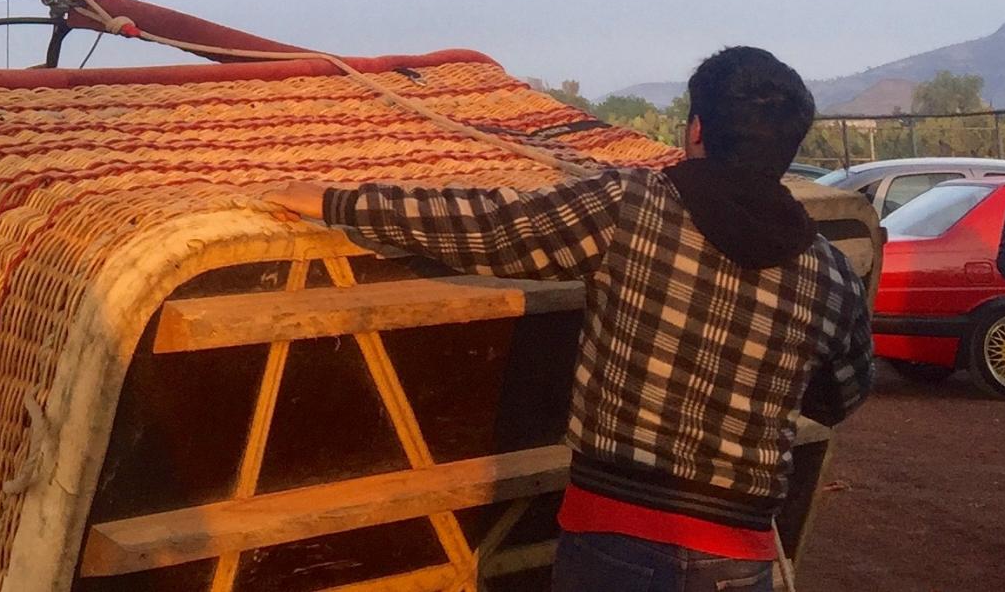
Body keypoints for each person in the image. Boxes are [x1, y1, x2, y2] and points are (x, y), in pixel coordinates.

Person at [266, 46, 870, 592]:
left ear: (694, 131)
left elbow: (491, 230)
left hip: (615, 543)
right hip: (737, 560)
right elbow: (837, 398)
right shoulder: (830, 275)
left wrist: (332, 200)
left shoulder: (632, 207)